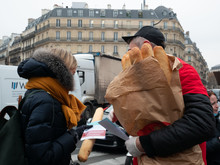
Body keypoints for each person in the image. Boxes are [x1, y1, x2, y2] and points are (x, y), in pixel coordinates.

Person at [109, 26, 215, 164]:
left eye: (131, 52)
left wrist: (143, 144)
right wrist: (121, 117)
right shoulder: (137, 79)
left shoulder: (182, 71)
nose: (128, 57)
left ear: (146, 47)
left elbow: (202, 123)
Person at [17, 48, 92, 165]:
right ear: (63, 73)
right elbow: (41, 157)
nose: (73, 79)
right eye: (72, 73)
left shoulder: (37, 91)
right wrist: (74, 135)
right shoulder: (46, 102)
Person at [206, 90, 220, 165]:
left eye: (217, 102)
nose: (217, 106)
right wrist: (218, 140)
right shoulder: (202, 124)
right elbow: (202, 148)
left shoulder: (216, 121)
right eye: (213, 104)